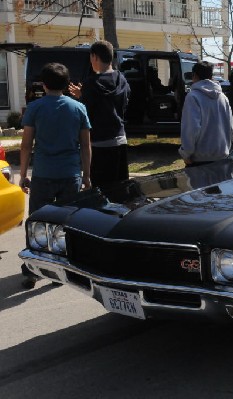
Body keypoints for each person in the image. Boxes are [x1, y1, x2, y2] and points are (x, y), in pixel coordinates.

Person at [19, 62, 92, 289]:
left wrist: (22, 174)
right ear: (66, 84)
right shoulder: (78, 108)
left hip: (43, 173)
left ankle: (33, 270)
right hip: (70, 174)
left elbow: (26, 144)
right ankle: (59, 269)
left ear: (43, 84)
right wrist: (87, 175)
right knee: (64, 224)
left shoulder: (35, 107)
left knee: (38, 223)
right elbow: (86, 145)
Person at [68, 40, 130, 190]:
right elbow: (124, 104)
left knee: (102, 193)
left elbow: (86, 113)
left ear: (95, 57)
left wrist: (81, 97)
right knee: (121, 190)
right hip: (120, 140)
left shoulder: (91, 83)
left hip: (100, 144)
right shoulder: (121, 79)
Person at [178, 61, 233, 167]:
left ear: (194, 75)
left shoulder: (193, 97)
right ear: (211, 75)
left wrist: (186, 153)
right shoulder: (223, 97)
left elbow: (191, 129)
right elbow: (231, 128)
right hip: (221, 156)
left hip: (199, 159)